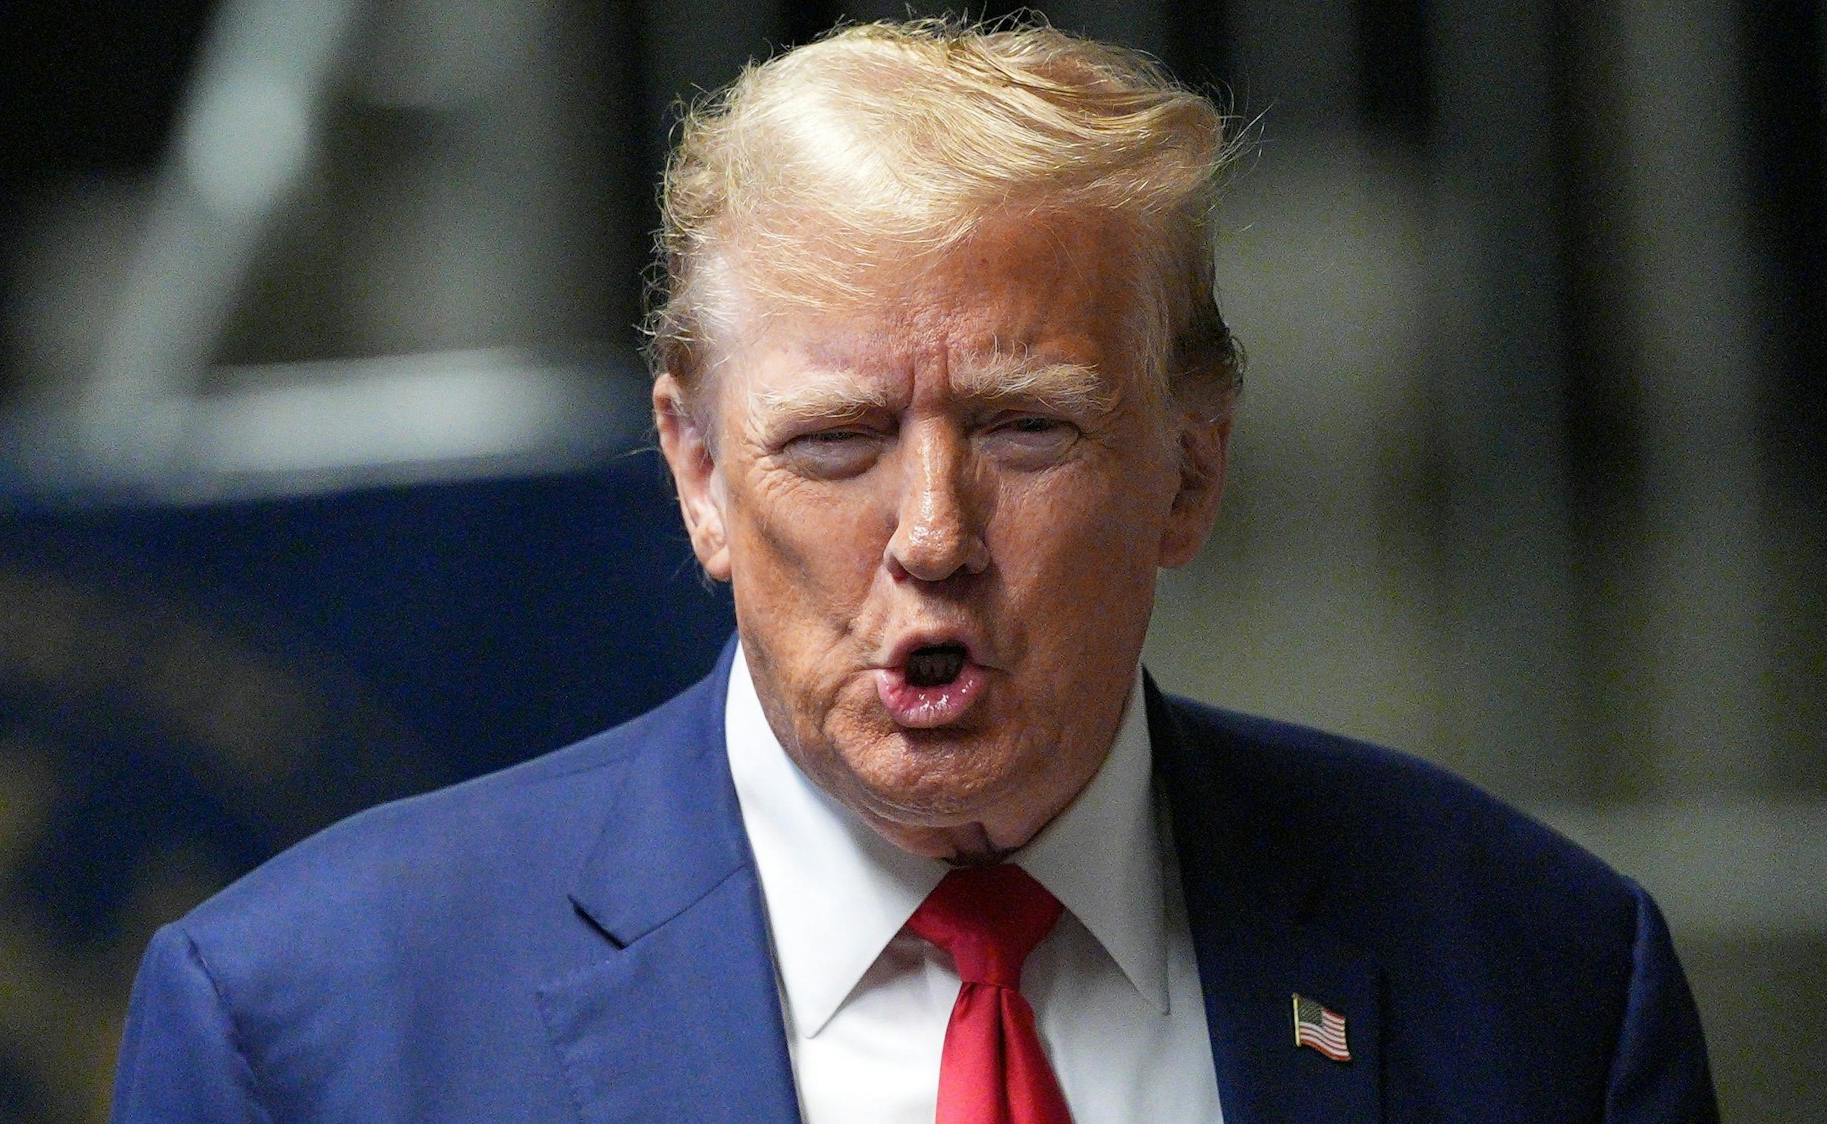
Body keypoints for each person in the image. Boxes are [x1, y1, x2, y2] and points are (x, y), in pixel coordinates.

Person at [109, 19, 1719, 1122]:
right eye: (834, 444)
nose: (933, 534)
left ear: (1189, 467)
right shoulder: (312, 1032)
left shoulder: (1539, 978)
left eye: (1026, 431)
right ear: (697, 475)